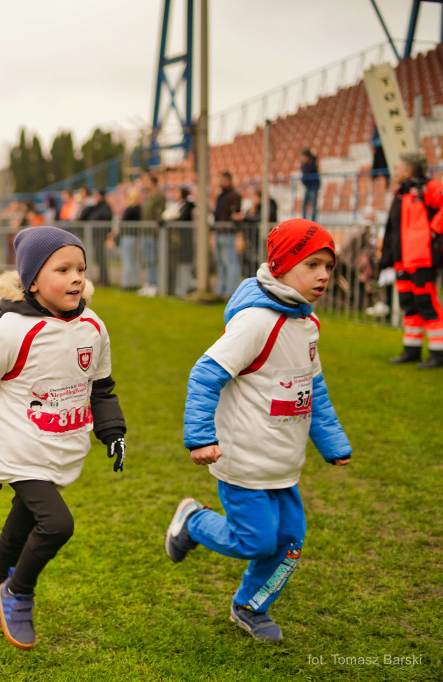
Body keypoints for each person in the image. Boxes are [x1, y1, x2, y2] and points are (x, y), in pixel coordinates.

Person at [0, 226, 126, 650]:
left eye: (81, 269)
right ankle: (18, 592)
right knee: (57, 524)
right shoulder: (11, 331)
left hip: (62, 444)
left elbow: (101, 387)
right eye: (62, 270)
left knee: (26, 517)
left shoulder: (93, 327)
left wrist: (112, 431)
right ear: (32, 280)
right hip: (17, 446)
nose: (76, 278)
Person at [170, 218, 352, 644]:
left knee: (289, 543)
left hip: (283, 464)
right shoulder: (255, 322)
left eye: (329, 266)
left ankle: (250, 606)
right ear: (282, 266)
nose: (324, 275)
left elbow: (313, 388)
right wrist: (200, 437)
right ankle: (193, 521)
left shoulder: (307, 324)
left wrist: (332, 442)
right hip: (243, 460)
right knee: (254, 541)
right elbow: (205, 375)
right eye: (312, 264)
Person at [378, 153, 443, 368]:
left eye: (398, 167)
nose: (395, 171)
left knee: (427, 304)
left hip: (423, 258)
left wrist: (434, 230)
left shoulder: (429, 187)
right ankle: (411, 350)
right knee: (409, 305)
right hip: (402, 260)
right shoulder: (401, 192)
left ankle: (439, 353)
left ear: (408, 170)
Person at [213, 171, 243, 299]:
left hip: (229, 234)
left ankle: (231, 291)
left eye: (222, 180)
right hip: (219, 232)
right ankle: (221, 289)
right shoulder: (221, 196)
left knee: (230, 262)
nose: (220, 182)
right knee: (221, 262)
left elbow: (235, 215)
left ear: (228, 180)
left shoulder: (234, 195)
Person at [139, 171, 166, 296]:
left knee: (153, 259)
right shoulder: (148, 196)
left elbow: (160, 212)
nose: (145, 183)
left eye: (147, 181)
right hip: (145, 232)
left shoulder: (159, 196)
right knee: (148, 259)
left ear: (153, 182)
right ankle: (149, 282)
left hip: (152, 233)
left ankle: (155, 284)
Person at [111, 187, 142, 290]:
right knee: (134, 260)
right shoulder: (139, 208)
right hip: (136, 237)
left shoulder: (129, 208)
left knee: (127, 260)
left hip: (128, 236)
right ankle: (135, 282)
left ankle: (126, 283)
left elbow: (123, 223)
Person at [300, 148, 320, 222]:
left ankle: (313, 221)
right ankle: (304, 220)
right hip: (308, 187)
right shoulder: (304, 165)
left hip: (313, 188)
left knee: (313, 206)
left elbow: (308, 171)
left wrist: (313, 157)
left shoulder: (312, 165)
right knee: (304, 205)